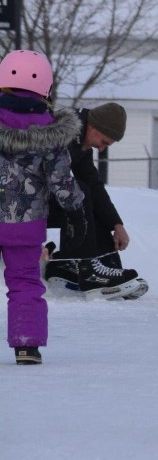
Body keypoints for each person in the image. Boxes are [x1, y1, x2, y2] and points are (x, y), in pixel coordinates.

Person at [0, 49, 86, 365]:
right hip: (25, 223)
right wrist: (76, 210)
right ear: (45, 88)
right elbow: (61, 180)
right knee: (24, 281)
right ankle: (26, 345)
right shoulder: (49, 133)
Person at [42, 102, 148, 299]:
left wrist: (116, 224)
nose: (101, 149)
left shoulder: (79, 142)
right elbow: (29, 181)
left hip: (33, 204)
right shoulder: (59, 133)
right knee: (78, 193)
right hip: (16, 207)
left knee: (86, 192)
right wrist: (32, 239)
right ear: (93, 127)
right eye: (104, 142)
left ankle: (94, 265)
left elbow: (95, 187)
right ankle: (88, 270)